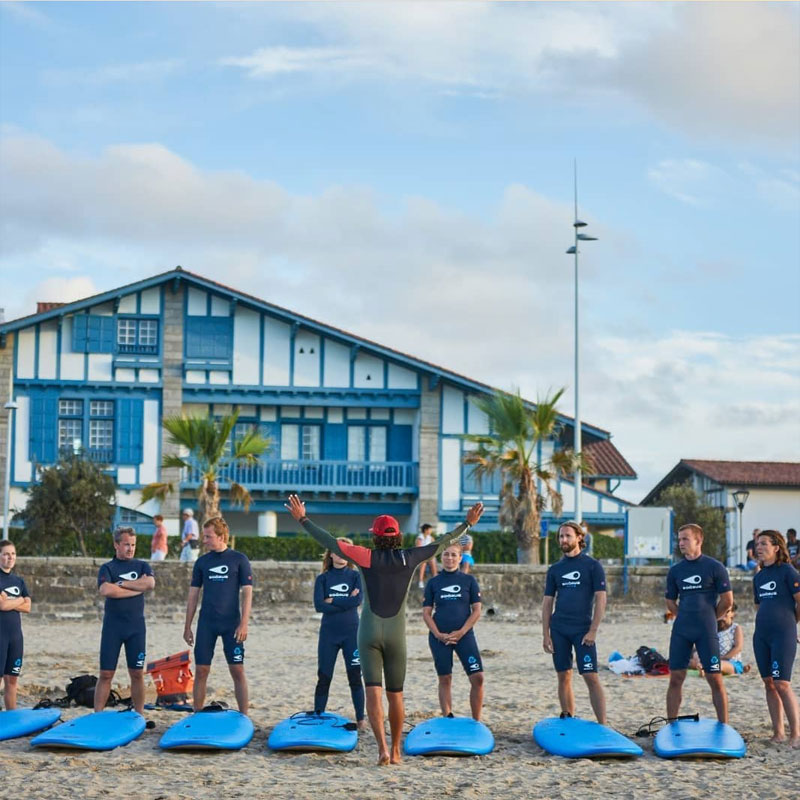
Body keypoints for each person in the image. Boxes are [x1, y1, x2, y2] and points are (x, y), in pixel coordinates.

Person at [286, 494, 484, 766]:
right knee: (396, 695)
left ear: (376, 537)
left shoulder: (366, 557)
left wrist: (303, 519)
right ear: (398, 536)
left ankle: (381, 749)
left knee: (373, 692)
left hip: (367, 635)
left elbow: (331, 543)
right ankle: (396, 750)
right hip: (395, 637)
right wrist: (467, 524)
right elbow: (444, 542)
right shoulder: (410, 557)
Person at [183, 516, 253, 714]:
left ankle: (244, 716)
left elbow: (247, 593)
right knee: (202, 670)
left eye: (208, 536)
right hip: (207, 623)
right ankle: (196, 714)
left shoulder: (239, 560)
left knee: (237, 670)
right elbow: (193, 596)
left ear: (221, 536)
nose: (204, 540)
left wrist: (244, 623)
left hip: (232, 623)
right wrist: (187, 626)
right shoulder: (202, 562)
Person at [665, 523, 733, 723]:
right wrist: (683, 615)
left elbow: (728, 600)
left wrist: (712, 617)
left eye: (685, 539)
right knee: (676, 678)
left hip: (706, 630)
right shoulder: (676, 570)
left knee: (714, 678)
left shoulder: (715, 567)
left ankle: (724, 725)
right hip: (682, 630)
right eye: (679, 539)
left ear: (698, 540)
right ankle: (671, 724)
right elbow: (670, 601)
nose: (681, 543)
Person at [541, 521, 607, 724]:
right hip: (559, 629)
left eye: (568, 536)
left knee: (590, 676)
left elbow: (601, 599)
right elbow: (547, 603)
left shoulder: (592, 566)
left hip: (583, 630)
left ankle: (603, 724)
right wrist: (546, 634)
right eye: (561, 536)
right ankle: (568, 717)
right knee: (564, 675)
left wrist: (593, 630)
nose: (563, 540)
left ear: (579, 537)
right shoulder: (555, 569)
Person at [95, 527, 155, 714]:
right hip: (113, 628)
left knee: (137, 673)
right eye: (127, 544)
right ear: (116, 545)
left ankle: (139, 714)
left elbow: (150, 584)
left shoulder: (142, 566)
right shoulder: (108, 568)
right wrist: (137, 588)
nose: (131, 548)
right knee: (106, 674)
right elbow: (106, 590)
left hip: (136, 628)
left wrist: (121, 584)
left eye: (133, 545)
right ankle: (97, 715)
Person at [422, 542, 484, 720]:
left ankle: (476, 720)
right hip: (439, 637)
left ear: (460, 557)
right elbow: (426, 613)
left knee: (478, 678)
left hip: (464, 636)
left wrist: (462, 632)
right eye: (446, 554)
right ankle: (448, 716)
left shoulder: (469, 581)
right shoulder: (434, 582)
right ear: (441, 557)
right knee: (445, 678)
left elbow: (477, 610)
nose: (449, 558)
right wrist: (438, 634)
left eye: (453, 555)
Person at [752, 530, 800, 747]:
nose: (758, 547)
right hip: (762, 635)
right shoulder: (759, 576)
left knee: (782, 684)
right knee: (769, 683)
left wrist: (791, 625)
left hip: (783, 634)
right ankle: (778, 733)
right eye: (757, 543)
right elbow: (759, 606)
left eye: (763, 543)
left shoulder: (788, 572)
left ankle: (796, 734)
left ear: (776, 548)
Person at [313, 537, 365, 729]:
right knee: (324, 676)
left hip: (352, 633)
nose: (341, 554)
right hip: (329, 634)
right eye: (337, 550)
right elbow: (319, 606)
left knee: (355, 677)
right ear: (331, 553)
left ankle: (361, 719)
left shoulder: (355, 576)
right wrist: (344, 602)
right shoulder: (323, 578)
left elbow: (357, 601)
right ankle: (318, 715)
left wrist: (332, 602)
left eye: (345, 550)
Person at [0, 540, 31, 710]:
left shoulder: (19, 581)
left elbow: (28, 607)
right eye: (5, 554)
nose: (9, 557)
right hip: (0, 636)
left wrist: (13, 600)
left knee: (12, 679)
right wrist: (20, 599)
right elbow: (1, 606)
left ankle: (11, 717)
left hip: (16, 637)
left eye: (12, 554)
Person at [689, 603, 751, 676]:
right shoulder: (713, 628)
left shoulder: (735, 628)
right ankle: (703, 667)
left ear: (732, 614)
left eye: (727, 612)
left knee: (718, 664)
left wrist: (723, 657)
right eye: (721, 611)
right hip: (712, 658)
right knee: (693, 658)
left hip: (730, 661)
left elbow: (738, 647)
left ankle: (705, 670)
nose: (723, 614)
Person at [416, 523, 438, 589]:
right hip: (421, 555)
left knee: (433, 562)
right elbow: (418, 548)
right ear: (425, 530)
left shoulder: (431, 538)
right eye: (430, 529)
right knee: (423, 564)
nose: (431, 531)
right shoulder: (420, 537)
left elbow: (434, 547)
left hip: (429, 555)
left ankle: (436, 580)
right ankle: (420, 581)